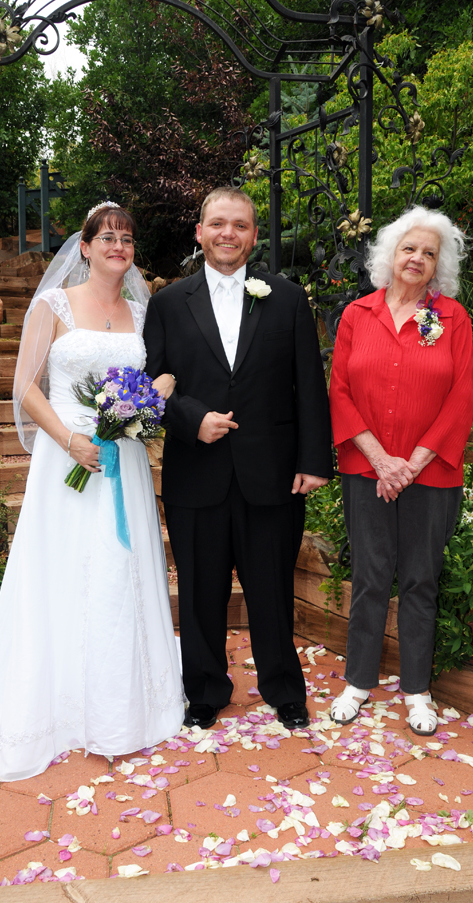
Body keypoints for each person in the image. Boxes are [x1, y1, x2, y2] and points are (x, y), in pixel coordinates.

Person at [0, 202, 185, 781]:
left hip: (120, 458)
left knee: (119, 569)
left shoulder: (142, 311)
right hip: (67, 457)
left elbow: (153, 379)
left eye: (127, 238)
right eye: (107, 237)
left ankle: (122, 700)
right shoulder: (52, 306)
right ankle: (60, 700)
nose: (118, 245)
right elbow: (26, 386)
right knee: (67, 570)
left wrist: (151, 395)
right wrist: (72, 440)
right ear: (87, 246)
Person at [144, 186, 333, 732]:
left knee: (272, 586)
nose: (229, 233)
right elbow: (150, 385)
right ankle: (203, 689)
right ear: (199, 232)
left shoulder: (289, 298)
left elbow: (308, 387)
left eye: (241, 225)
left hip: (270, 472)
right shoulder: (166, 304)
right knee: (200, 591)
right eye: (218, 223)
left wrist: (314, 459)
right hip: (195, 473)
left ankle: (283, 688)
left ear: (254, 235)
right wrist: (190, 419)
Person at [328, 206, 473, 736]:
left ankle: (417, 691)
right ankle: (358, 683)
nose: (417, 258)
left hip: (430, 475)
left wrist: (412, 463)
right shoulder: (356, 315)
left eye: (428, 253)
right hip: (367, 470)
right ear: (390, 255)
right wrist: (379, 459)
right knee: (369, 577)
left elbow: (463, 398)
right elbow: (339, 391)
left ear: (439, 265)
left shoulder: (453, 320)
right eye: (408, 248)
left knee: (420, 579)